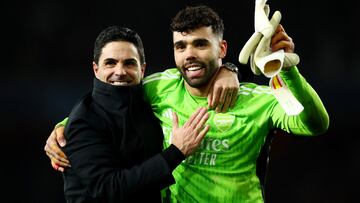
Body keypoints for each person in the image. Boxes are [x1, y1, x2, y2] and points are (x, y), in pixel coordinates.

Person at [45, 5, 329, 203]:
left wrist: (287, 70)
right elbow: (111, 99)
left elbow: (316, 124)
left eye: (200, 44)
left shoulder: (258, 101)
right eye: (181, 47)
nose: (188, 54)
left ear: (222, 48)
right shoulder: (161, 87)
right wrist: (64, 127)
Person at [58, 25, 213, 203]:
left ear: (142, 69)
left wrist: (231, 71)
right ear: (95, 69)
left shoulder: (149, 103)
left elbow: (204, 75)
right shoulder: (84, 121)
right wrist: (176, 152)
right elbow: (109, 188)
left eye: (129, 63)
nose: (120, 72)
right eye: (110, 63)